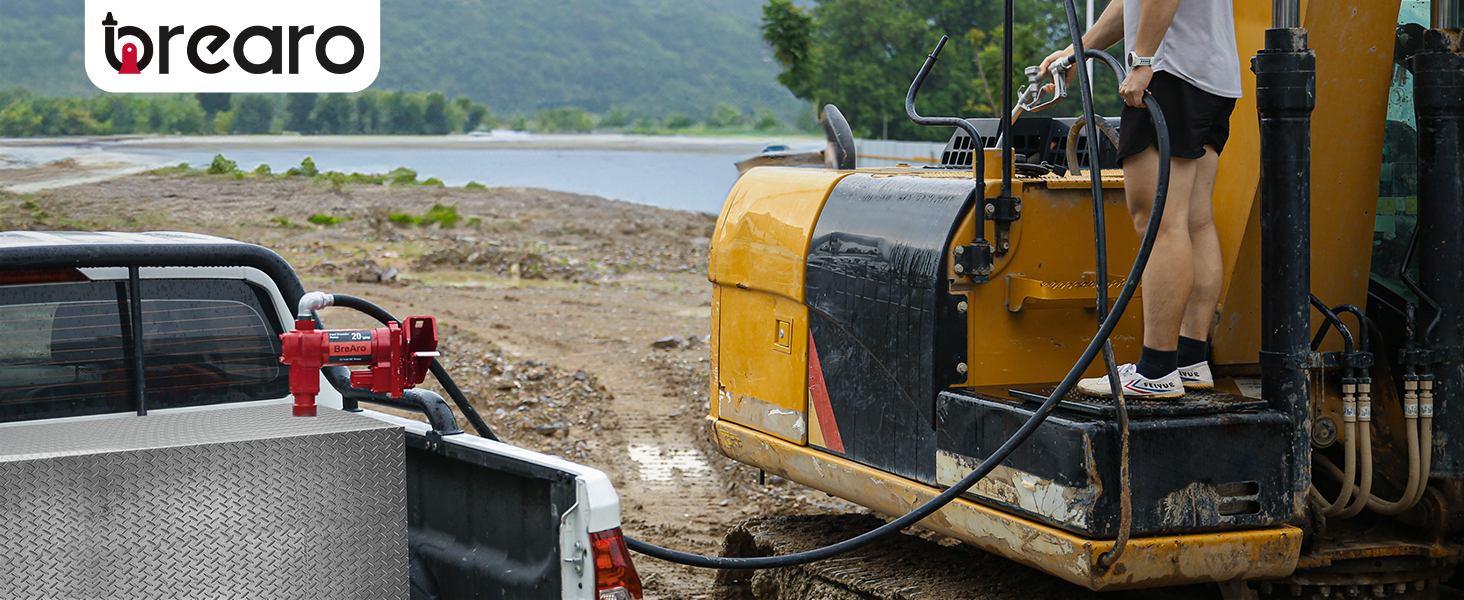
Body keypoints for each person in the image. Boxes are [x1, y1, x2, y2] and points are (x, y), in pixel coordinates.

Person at [1039, 0, 1243, 398]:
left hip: (1169, 72)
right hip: (1211, 74)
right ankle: (1189, 360)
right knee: (1194, 221)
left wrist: (1143, 59)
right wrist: (1076, 51)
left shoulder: (1157, 65)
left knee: (1159, 222)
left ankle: (1156, 370)